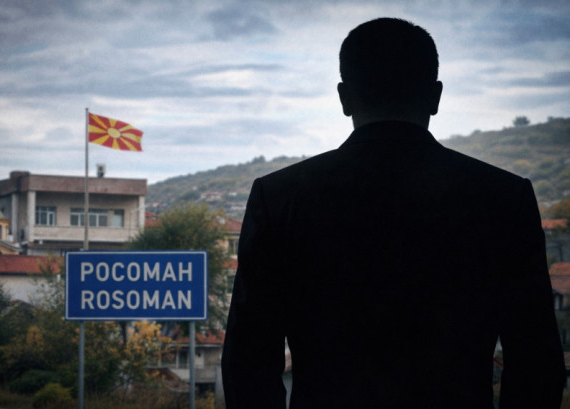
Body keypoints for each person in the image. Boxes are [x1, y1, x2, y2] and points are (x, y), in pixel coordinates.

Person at [221, 17, 565, 409]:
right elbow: (536, 361)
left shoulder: (279, 198)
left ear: (344, 98)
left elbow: (247, 361)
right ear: (435, 96)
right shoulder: (504, 198)